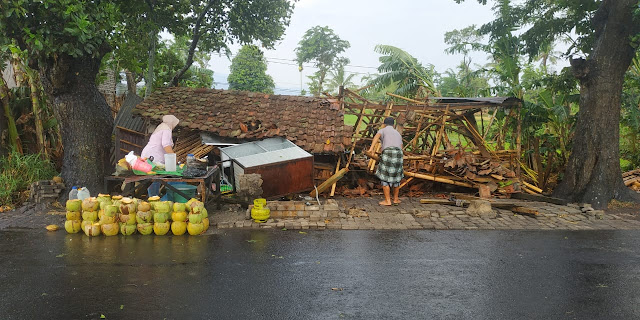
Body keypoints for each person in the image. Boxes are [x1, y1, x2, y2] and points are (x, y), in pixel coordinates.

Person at [368, 117, 404, 206]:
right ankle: (395, 199)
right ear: (394, 125)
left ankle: (387, 201)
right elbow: (401, 145)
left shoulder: (382, 130)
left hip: (388, 152)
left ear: (384, 124)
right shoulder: (397, 133)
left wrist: (371, 149)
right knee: (396, 177)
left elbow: (376, 137)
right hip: (399, 153)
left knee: (385, 176)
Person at [141, 115, 179, 196]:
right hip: (153, 156)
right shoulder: (166, 129)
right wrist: (174, 158)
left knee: (154, 178)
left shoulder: (161, 127)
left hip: (149, 154)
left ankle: (154, 197)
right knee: (155, 178)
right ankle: (154, 198)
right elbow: (166, 145)